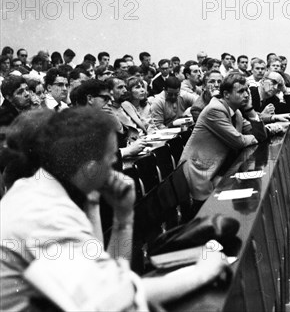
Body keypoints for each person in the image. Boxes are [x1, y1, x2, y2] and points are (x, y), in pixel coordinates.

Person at [0, 107, 229, 311]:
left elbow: (109, 274)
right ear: (90, 167)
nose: (115, 173)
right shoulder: (44, 213)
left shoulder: (41, 190)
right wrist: (202, 273)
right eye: (111, 162)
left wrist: (123, 218)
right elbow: (111, 301)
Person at [179, 73, 268, 207]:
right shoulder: (215, 110)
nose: (246, 95)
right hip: (201, 171)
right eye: (241, 91)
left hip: (218, 168)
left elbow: (260, 136)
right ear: (226, 94)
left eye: (247, 90)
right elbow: (239, 141)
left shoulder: (236, 112)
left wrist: (250, 110)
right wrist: (252, 137)